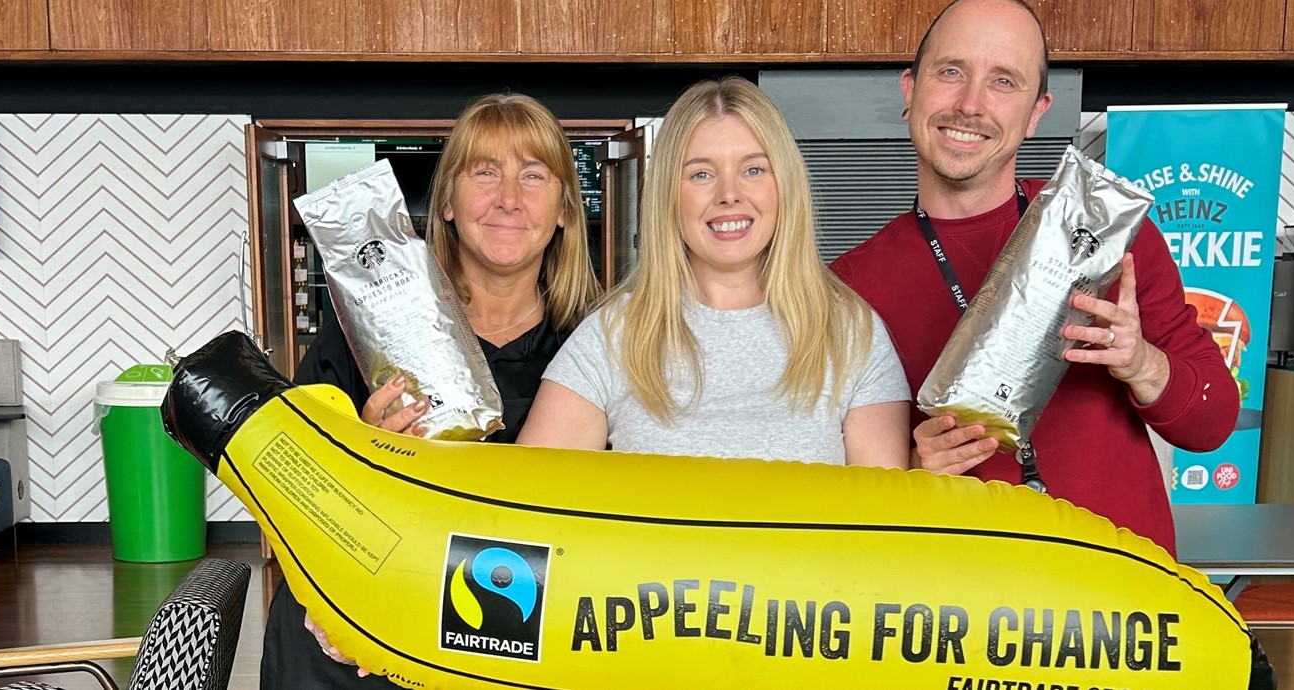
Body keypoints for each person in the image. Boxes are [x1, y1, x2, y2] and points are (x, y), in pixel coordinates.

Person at [829, 0, 1238, 555]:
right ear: (910, 90)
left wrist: (1141, 363)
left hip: (1121, 603)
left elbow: (1211, 425)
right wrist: (913, 467)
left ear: (1037, 110)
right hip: (964, 613)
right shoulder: (849, 286)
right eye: (951, 72)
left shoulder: (1108, 235)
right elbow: (841, 490)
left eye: (1004, 81)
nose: (970, 103)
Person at [261, 92, 601, 689]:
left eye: (533, 174)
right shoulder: (363, 328)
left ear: (566, 208)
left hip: (527, 622)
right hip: (368, 612)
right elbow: (286, 489)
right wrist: (364, 449)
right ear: (446, 202)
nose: (508, 199)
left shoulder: (600, 345)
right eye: (485, 171)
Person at [519, 77, 910, 469]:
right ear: (669, 194)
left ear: (785, 185)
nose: (729, 193)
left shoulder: (852, 333)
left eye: (754, 170)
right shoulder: (612, 335)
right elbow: (527, 502)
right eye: (701, 174)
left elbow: (883, 517)